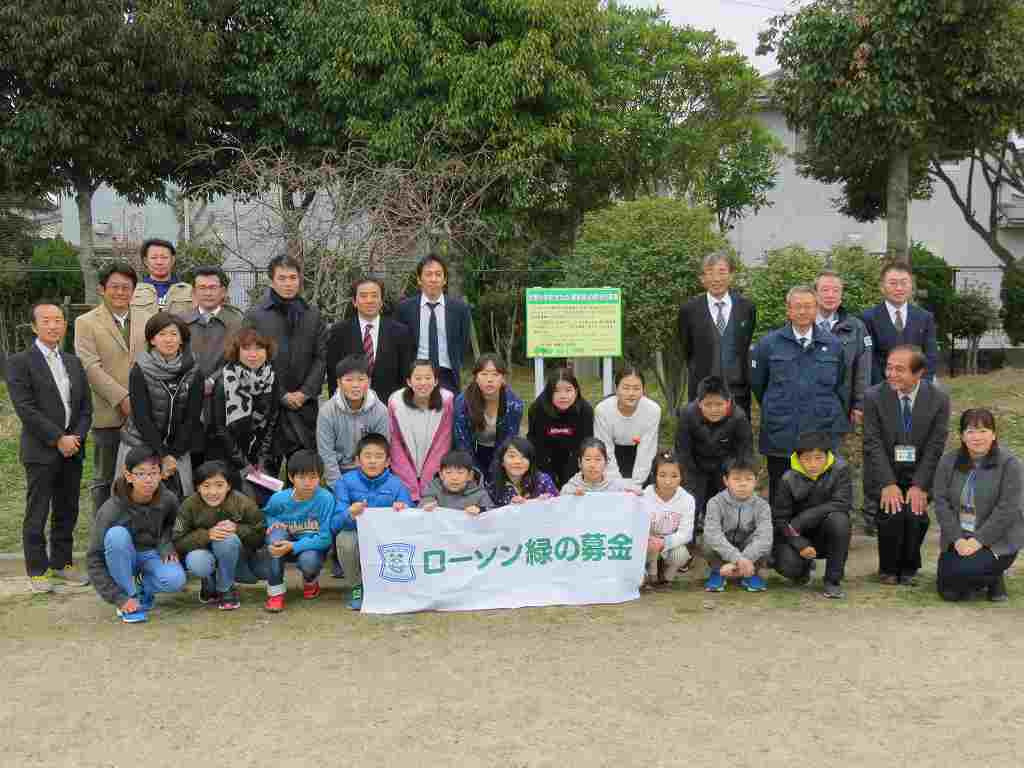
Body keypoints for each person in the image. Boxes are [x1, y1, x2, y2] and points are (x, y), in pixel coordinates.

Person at [6, 301, 93, 592]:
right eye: (46, 320)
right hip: (42, 450)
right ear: (34, 326)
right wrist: (58, 438)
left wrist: (75, 438)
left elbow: (84, 408)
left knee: (67, 509)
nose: (53, 325)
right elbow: (26, 409)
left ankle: (62, 563)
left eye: (58, 320)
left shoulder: (72, 361)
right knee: (38, 509)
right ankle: (37, 569)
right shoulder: (20, 362)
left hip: (73, 448)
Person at [751, 285, 848, 507]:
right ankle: (782, 538)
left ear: (816, 309)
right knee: (781, 491)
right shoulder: (769, 344)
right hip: (782, 431)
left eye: (808, 306)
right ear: (788, 310)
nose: (803, 311)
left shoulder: (832, 345)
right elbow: (759, 385)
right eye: (798, 307)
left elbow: (840, 384)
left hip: (820, 430)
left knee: (820, 493)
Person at [863, 345, 950, 586]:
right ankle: (888, 569)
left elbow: (935, 446)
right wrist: (888, 483)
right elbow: (872, 443)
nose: (891, 374)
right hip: (884, 472)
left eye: (899, 369)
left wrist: (920, 485)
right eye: (889, 367)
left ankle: (909, 568)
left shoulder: (938, 399)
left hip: (919, 473)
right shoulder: (873, 396)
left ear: (919, 372)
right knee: (891, 513)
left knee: (915, 515)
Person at [244, 254, 326, 472]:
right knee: (264, 471)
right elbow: (248, 360)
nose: (288, 284)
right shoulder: (256, 315)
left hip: (304, 405)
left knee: (303, 470)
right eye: (282, 278)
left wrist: (305, 392)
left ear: (300, 280)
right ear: (272, 280)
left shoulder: (312, 314)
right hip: (267, 405)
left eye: (293, 278)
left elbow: (320, 357)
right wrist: (280, 394)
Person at [87, 446, 187, 624]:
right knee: (116, 535)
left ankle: (141, 586)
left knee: (176, 579)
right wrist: (118, 597)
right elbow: (94, 558)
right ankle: (129, 598)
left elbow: (175, 527)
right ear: (128, 476)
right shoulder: (111, 509)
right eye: (141, 474)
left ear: (161, 474)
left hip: (151, 553)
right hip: (121, 558)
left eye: (154, 473)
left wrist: (167, 545)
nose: (148, 480)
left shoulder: (168, 499)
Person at [933, 408, 1024, 602]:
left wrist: (978, 541)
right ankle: (986, 576)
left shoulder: (1010, 464)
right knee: (948, 592)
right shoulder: (948, 461)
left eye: (983, 431)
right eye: (970, 431)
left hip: (996, 540)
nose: (977, 437)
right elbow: (941, 502)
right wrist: (957, 539)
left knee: (964, 574)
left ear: (994, 434)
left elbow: (1007, 510)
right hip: (960, 538)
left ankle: (994, 578)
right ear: (962, 436)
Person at [75, 261, 141, 515]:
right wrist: (122, 397)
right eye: (115, 287)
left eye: (126, 287)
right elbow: (90, 367)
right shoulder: (86, 322)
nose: (121, 292)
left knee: (139, 474)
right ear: (102, 289)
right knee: (104, 476)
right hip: (107, 411)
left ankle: (133, 529)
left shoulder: (146, 319)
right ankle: (101, 533)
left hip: (143, 412)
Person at [116, 312, 203, 498]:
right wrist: (162, 455)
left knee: (179, 499)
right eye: (162, 334)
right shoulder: (140, 369)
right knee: (134, 499)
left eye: (173, 334)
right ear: (152, 340)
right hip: (139, 442)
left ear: (181, 339)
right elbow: (141, 416)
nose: (168, 340)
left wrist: (173, 454)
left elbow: (192, 416)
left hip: (178, 448)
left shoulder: (194, 369)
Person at [331, 433, 414, 610]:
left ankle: (392, 586)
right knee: (345, 540)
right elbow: (335, 524)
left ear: (388, 462)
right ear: (357, 460)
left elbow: (412, 519)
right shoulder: (344, 482)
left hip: (386, 539)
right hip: (357, 536)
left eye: (378, 456)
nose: (372, 461)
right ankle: (356, 587)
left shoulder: (396, 484)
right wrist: (350, 514)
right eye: (367, 456)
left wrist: (403, 509)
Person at [173, 461, 266, 610]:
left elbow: (260, 535)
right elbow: (177, 541)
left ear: (228, 486)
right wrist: (207, 535)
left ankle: (225, 588)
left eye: (219, 485)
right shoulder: (188, 506)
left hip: (235, 554)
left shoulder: (243, 502)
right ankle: (209, 580)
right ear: (197, 487)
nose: (213, 492)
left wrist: (237, 528)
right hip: (202, 553)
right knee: (198, 561)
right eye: (206, 486)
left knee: (228, 539)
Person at [771, 431, 853, 599]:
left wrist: (804, 518)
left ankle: (832, 581)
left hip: (826, 531)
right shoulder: (788, 479)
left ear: (827, 455)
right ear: (798, 458)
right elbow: (781, 519)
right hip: (796, 535)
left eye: (818, 458)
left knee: (840, 520)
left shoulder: (840, 470)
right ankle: (803, 570)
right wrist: (800, 544)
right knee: (788, 566)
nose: (813, 464)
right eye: (807, 458)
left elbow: (842, 503)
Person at [677, 250, 757, 416]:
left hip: (738, 394)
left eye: (722, 272)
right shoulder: (689, 310)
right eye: (710, 273)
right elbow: (687, 350)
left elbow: (744, 345)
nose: (716, 278)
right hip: (702, 395)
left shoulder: (746, 307)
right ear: (702, 278)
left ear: (731, 275)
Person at [209, 326, 281, 502]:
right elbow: (220, 429)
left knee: (265, 504)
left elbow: (272, 421)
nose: (253, 354)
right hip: (227, 456)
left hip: (259, 456)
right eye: (246, 348)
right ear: (237, 351)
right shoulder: (224, 380)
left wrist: (261, 459)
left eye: (259, 348)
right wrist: (244, 464)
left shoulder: (271, 378)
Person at [674, 375, 753, 534]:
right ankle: (687, 541)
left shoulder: (739, 418)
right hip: (695, 465)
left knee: (727, 504)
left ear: (728, 401)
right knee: (691, 501)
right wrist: (689, 480)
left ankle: (727, 539)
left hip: (725, 467)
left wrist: (735, 478)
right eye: (708, 404)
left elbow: (744, 454)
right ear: (699, 402)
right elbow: (683, 452)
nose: (714, 409)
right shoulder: (687, 414)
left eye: (719, 404)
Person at [182, 266, 243, 467]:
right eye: (202, 287)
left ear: (223, 291)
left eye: (213, 287)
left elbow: (240, 358)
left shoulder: (238, 321)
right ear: (194, 292)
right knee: (192, 458)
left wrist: (213, 379)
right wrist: (195, 381)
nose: (207, 292)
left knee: (222, 459)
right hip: (188, 398)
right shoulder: (181, 321)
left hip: (224, 397)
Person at [262, 450, 334, 613]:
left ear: (320, 477)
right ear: (291, 477)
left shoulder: (326, 499)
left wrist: (293, 546)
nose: (307, 482)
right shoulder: (280, 498)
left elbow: (325, 538)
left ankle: (310, 581)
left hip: (310, 547)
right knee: (275, 539)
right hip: (283, 543)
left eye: (313, 477)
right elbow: (268, 514)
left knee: (309, 561)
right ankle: (275, 593)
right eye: (302, 477)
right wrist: (273, 523)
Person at [326, 277, 414, 404]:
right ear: (354, 302)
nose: (369, 300)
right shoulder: (338, 332)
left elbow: (405, 375)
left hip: (389, 406)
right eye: (363, 296)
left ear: (381, 301)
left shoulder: (400, 332)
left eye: (374, 296)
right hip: (350, 407)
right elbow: (333, 376)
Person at [396, 253, 473, 394]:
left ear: (444, 279)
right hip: (416, 374)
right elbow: (400, 344)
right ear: (419, 279)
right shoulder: (404, 309)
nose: (433, 279)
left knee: (447, 415)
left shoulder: (460, 309)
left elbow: (463, 343)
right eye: (428, 274)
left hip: (447, 375)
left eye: (438, 274)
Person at [703, 456, 773, 593]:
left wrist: (743, 561)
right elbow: (713, 534)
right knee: (707, 542)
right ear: (726, 481)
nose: (743, 484)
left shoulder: (762, 505)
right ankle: (718, 571)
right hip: (726, 548)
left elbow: (765, 538)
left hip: (748, 550)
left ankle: (750, 573)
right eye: (737, 479)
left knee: (765, 544)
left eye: (748, 479)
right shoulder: (715, 502)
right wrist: (737, 559)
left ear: (756, 481)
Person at [861, 261, 939, 385]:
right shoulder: (868, 318)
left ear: (911, 286)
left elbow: (930, 355)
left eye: (904, 282)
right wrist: (884, 388)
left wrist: (921, 385)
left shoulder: (924, 317)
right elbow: (870, 359)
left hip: (917, 387)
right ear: (882, 287)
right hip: (882, 389)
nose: (899, 288)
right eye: (893, 283)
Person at [317, 354, 390, 486]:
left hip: (370, 473)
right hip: (339, 471)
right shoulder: (327, 412)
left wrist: (369, 483)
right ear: (339, 382)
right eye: (349, 380)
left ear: (368, 381)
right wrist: (339, 487)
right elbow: (326, 454)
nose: (355, 385)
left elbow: (381, 451)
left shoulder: (380, 411)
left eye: (361, 379)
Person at [388, 359, 455, 501]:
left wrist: (426, 484)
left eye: (428, 378)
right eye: (417, 378)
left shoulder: (446, 401)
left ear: (436, 381)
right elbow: (396, 445)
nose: (423, 383)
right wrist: (410, 484)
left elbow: (442, 445)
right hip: (403, 475)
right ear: (409, 381)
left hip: (435, 476)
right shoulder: (396, 402)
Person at [453, 354, 524, 483]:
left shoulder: (514, 404)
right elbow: (462, 443)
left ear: (503, 378)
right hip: (472, 450)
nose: (489, 380)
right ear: (476, 377)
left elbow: (507, 442)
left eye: (495, 375)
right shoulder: (462, 402)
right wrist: (475, 473)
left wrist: (495, 473)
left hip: (500, 452)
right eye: (484, 374)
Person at [593, 365, 661, 486]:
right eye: (626, 388)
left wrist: (636, 483)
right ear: (616, 388)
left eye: (636, 388)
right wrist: (618, 484)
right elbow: (605, 449)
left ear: (643, 389)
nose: (631, 393)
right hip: (611, 455)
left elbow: (647, 450)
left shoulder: (653, 410)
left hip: (639, 453)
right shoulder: (603, 410)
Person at [527, 367, 595, 489]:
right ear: (549, 392)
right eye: (556, 391)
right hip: (545, 456)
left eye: (568, 390)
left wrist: (568, 480)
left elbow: (585, 446)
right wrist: (548, 478)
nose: (563, 396)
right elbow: (536, 444)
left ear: (576, 391)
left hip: (573, 456)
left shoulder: (585, 411)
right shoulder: (537, 409)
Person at [642, 451, 695, 587]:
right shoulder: (644, 495)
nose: (668, 481)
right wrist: (651, 540)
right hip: (649, 542)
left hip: (670, 542)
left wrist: (664, 542)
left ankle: (667, 576)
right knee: (647, 547)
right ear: (654, 475)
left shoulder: (687, 500)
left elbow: (686, 533)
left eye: (674, 476)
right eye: (662, 475)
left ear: (681, 477)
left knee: (681, 555)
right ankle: (651, 573)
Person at [488, 437, 559, 506]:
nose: (518, 461)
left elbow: (560, 506)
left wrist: (548, 503)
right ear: (502, 461)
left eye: (524, 457)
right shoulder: (493, 487)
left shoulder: (543, 480)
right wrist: (510, 507)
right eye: (512, 456)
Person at [420, 450, 495, 515]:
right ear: (441, 475)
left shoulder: (480, 494)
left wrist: (480, 510)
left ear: (470, 475)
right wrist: (427, 506)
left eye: (460, 472)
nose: (454, 478)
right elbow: (420, 508)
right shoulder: (433, 489)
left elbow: (493, 514)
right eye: (448, 472)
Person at [560, 438, 634, 495]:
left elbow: (632, 493)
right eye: (588, 459)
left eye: (598, 459)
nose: (592, 465)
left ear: (606, 463)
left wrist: (634, 493)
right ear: (580, 463)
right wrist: (572, 496)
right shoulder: (571, 488)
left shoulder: (616, 486)